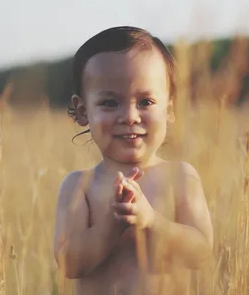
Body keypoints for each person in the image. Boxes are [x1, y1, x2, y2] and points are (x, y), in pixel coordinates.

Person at [53, 26, 214, 295]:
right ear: (83, 111)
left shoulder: (181, 177)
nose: (129, 116)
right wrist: (112, 225)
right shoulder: (79, 186)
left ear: (170, 109)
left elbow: (201, 251)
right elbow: (68, 264)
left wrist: (151, 221)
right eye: (109, 102)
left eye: (146, 101)